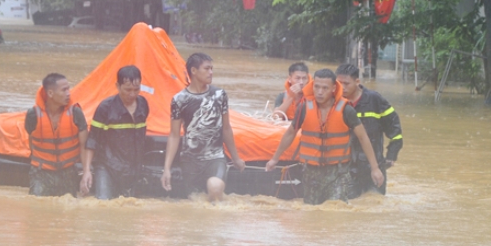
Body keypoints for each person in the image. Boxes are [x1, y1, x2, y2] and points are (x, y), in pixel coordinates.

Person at [265, 68, 384, 205]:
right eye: (317, 87)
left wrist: (375, 168)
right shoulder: (304, 108)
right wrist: (274, 159)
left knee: (335, 211)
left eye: (325, 88)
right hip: (311, 173)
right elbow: (290, 133)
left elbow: (363, 138)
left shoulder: (346, 110)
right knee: (312, 214)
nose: (320, 92)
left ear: (334, 88)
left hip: (338, 173)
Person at [161, 53, 245, 202]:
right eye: (207, 69)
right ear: (193, 71)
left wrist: (236, 158)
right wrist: (166, 168)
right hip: (190, 160)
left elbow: (226, 128)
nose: (211, 72)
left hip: (215, 158)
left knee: (214, 188)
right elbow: (174, 135)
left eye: (212, 69)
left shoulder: (219, 95)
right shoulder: (179, 100)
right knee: (195, 201)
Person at [80, 65, 149, 199]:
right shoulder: (105, 108)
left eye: (136, 89)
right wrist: (87, 171)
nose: (132, 94)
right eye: (127, 89)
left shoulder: (143, 104)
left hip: (133, 168)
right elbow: (92, 139)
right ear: (117, 86)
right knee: (104, 206)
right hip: (107, 168)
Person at [335, 63, 403, 198]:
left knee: (374, 205)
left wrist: (390, 157)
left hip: (373, 167)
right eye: (339, 83)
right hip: (345, 169)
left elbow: (395, 130)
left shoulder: (375, 100)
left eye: (346, 83)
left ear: (357, 82)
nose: (342, 87)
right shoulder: (333, 102)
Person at [25, 73, 88, 197]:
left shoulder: (76, 113)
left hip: (68, 171)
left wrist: (86, 173)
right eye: (64, 90)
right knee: (36, 206)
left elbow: (84, 146)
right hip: (41, 173)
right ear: (50, 93)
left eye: (68, 89)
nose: (68, 93)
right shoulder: (33, 115)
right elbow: (31, 142)